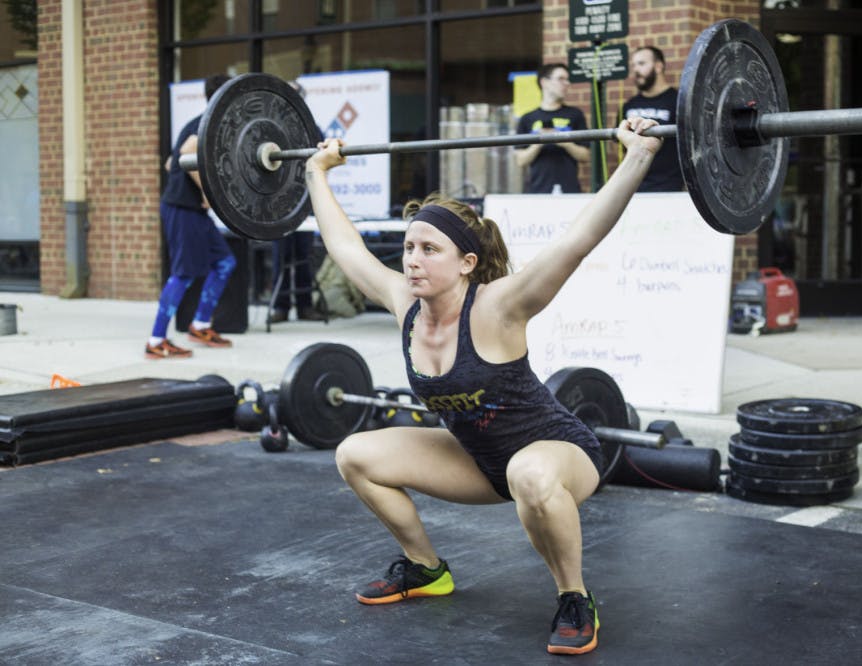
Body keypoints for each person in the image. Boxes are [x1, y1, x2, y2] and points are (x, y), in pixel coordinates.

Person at [303, 115, 663, 655]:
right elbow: (345, 246)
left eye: (430, 249)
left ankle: (574, 597)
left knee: (529, 472)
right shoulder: (405, 303)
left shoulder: (500, 306)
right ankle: (426, 569)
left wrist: (638, 155)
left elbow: (579, 240)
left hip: (558, 455)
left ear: (467, 263)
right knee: (355, 454)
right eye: (409, 247)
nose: (413, 260)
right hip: (481, 463)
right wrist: (317, 171)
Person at [145, 73, 236, 359]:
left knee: (224, 262)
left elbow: (169, 162)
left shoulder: (207, 122)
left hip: (191, 209)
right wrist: (207, 193)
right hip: (182, 209)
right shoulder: (205, 123)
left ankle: (200, 325)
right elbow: (186, 151)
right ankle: (156, 340)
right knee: (183, 274)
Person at [270, 80, 325, 324]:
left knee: (304, 254)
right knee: (280, 255)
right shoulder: (272, 125)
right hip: (279, 202)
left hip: (303, 199)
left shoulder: (310, 127)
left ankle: (305, 306)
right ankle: (280, 307)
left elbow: (322, 160)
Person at [514, 63, 590, 194]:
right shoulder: (527, 118)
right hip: (537, 190)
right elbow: (521, 160)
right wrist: (540, 141)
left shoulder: (575, 114)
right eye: (561, 79)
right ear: (544, 82)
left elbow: (585, 156)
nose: (566, 83)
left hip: (569, 189)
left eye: (567, 79)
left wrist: (564, 141)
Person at [619, 46, 684, 192]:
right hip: (633, 186)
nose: (636, 70)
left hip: (670, 187)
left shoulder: (679, 102)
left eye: (641, 64)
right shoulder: (629, 105)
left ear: (658, 66)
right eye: (633, 65)